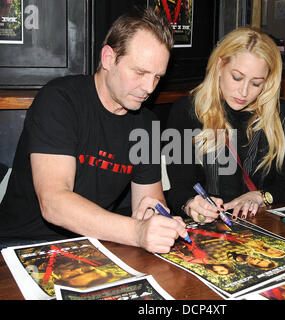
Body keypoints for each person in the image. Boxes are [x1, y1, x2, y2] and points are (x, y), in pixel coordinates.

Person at [0, 8, 189, 253]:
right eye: (140, 72)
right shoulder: (60, 100)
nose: (149, 87)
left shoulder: (146, 124)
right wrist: (137, 232)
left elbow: (149, 201)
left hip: (92, 244)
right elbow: (54, 203)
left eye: (157, 77)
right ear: (108, 58)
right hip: (20, 245)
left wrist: (155, 219)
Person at [165, 27, 285, 223]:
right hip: (209, 231)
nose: (244, 91)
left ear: (267, 81)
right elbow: (178, 189)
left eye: (256, 83)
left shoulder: (280, 114)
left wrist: (260, 197)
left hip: (262, 226)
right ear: (220, 66)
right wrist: (191, 204)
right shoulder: (187, 111)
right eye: (237, 77)